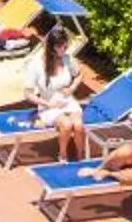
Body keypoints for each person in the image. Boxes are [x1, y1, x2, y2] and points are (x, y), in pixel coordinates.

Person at [23, 26, 86, 161]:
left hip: (68, 101)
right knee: (67, 125)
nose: (63, 50)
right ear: (51, 47)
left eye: (65, 46)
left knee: (79, 126)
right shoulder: (36, 65)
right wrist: (48, 104)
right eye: (60, 47)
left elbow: (80, 74)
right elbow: (28, 93)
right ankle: (62, 154)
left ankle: (80, 156)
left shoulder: (67, 59)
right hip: (48, 104)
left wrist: (72, 88)